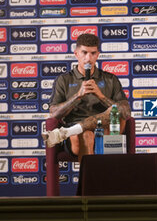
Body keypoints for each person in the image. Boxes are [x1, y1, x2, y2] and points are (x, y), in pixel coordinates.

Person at [42, 33, 131, 162]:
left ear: (98, 55)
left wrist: (100, 96)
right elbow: (54, 114)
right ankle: (92, 180)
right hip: (76, 136)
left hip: (106, 129)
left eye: (93, 53)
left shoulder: (110, 79)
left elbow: (126, 112)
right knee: (87, 135)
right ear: (76, 54)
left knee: (114, 111)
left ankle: (65, 132)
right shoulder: (64, 80)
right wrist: (77, 96)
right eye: (84, 53)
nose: (88, 58)